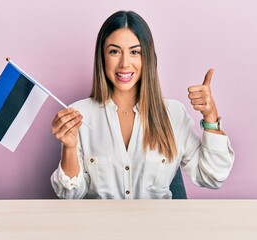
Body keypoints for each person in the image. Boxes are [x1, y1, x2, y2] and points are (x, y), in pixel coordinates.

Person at [50, 10, 235, 199]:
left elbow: (212, 177)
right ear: (102, 58)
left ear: (147, 57)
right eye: (114, 51)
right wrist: (70, 147)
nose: (124, 63)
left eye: (135, 52)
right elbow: (70, 195)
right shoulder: (79, 114)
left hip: (158, 226)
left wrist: (210, 117)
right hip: (102, 227)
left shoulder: (174, 114)